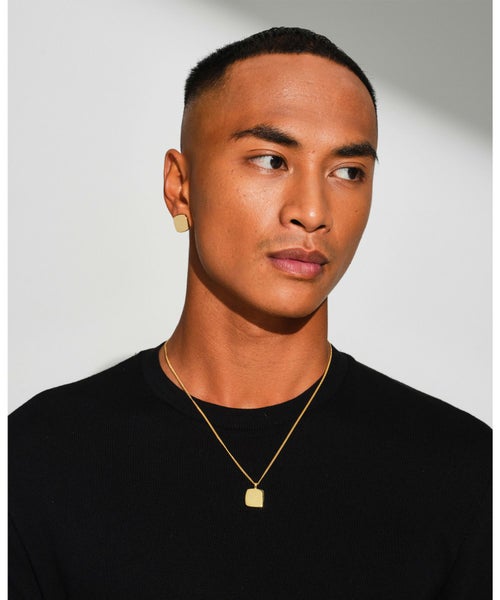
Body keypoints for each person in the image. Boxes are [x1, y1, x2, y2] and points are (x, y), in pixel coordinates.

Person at [9, 27, 491, 599]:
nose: (312, 211)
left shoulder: (462, 469)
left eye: (348, 171)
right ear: (180, 186)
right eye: (271, 160)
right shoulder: (38, 457)